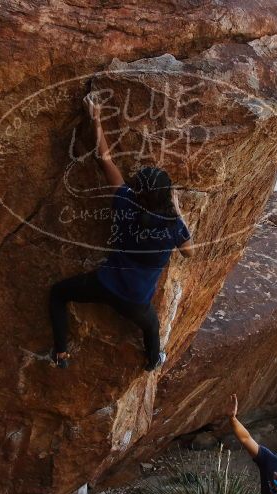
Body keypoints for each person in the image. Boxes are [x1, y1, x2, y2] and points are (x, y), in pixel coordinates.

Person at [47, 94, 194, 372]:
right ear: (166, 198)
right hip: (135, 303)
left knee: (58, 293)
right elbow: (189, 251)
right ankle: (153, 361)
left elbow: (105, 161)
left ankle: (62, 353)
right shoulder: (172, 226)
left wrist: (96, 119)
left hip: (104, 284)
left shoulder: (126, 202)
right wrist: (177, 211)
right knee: (152, 327)